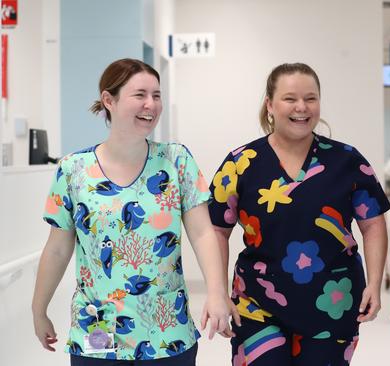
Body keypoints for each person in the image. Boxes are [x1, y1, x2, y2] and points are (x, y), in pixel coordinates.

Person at [32, 58, 240, 365]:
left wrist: (216, 292)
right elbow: (58, 249)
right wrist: (39, 309)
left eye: (157, 96)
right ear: (108, 100)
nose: (151, 104)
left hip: (167, 330)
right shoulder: (73, 170)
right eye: (140, 94)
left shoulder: (176, 160)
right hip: (97, 330)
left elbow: (202, 232)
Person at [208, 63, 390, 365]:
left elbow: (372, 224)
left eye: (311, 98)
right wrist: (216, 292)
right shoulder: (241, 163)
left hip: (334, 300)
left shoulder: (346, 160)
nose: (301, 108)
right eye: (290, 98)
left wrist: (374, 282)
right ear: (269, 104)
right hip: (257, 301)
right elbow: (216, 229)